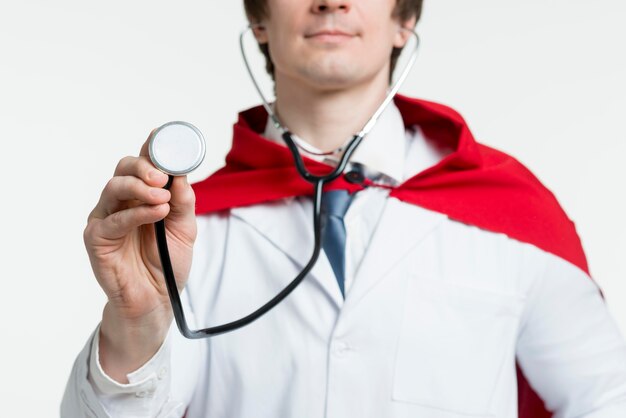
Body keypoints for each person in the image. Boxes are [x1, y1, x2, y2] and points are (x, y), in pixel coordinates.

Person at [62, 0, 626, 417]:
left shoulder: (512, 211)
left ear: (405, 20)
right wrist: (135, 323)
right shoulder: (178, 232)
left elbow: (605, 399)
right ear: (259, 21)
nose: (332, 1)